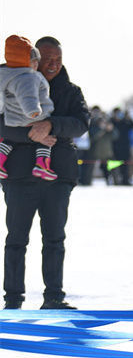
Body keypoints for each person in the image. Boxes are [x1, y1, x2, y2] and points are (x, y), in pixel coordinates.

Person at [1, 36, 89, 310]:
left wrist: (51, 125)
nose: (53, 64)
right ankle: (13, 300)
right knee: (16, 239)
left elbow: (81, 123)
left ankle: (54, 297)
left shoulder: (71, 91)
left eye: (58, 59)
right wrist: (32, 133)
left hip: (58, 176)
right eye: (48, 58)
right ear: (35, 59)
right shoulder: (10, 84)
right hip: (18, 176)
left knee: (55, 238)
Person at [0, 35, 57, 181]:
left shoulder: (5, 74)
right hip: (30, 114)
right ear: (26, 62)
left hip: (11, 115)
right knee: (46, 135)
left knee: (9, 139)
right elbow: (28, 97)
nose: (36, 66)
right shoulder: (27, 77)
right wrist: (34, 111)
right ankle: (42, 164)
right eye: (34, 62)